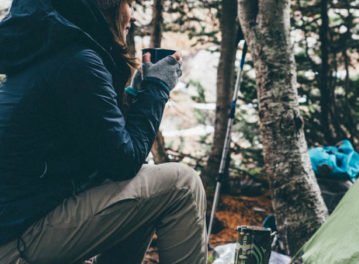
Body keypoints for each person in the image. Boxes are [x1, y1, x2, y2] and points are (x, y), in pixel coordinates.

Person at [0, 0, 207, 263]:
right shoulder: (77, 62)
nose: (130, 16)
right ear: (105, 9)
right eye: (127, 4)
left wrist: (135, 95)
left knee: (145, 194)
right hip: (16, 239)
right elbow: (123, 162)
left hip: (18, 226)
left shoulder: (50, 56)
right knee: (182, 184)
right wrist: (156, 89)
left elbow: (107, 152)